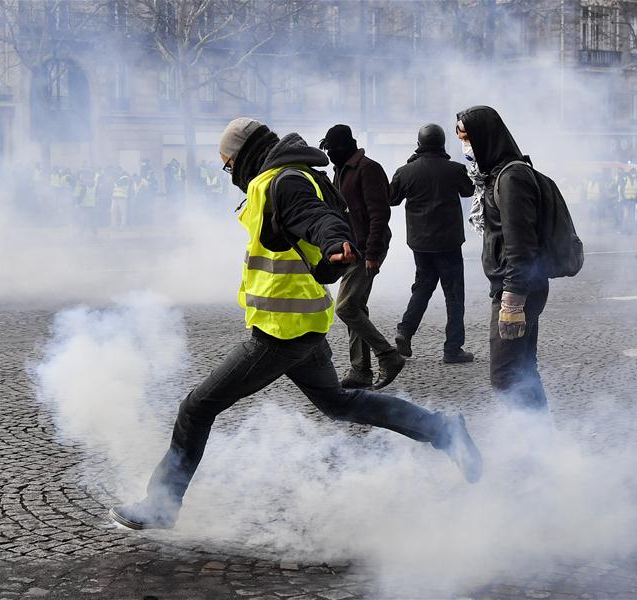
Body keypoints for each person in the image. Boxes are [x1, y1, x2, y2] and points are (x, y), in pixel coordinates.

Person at [108, 117, 483, 531]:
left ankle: (161, 505)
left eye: (228, 163)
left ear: (244, 154)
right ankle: (445, 431)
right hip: (304, 323)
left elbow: (316, 217)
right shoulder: (297, 175)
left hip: (279, 332)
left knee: (196, 408)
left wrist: (334, 242)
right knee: (341, 404)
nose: (229, 172)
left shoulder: (282, 181)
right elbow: (312, 220)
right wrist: (331, 248)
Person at [455, 105, 549, 413]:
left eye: (467, 137)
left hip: (518, 288)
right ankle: (540, 447)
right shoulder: (496, 176)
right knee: (522, 370)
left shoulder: (510, 178)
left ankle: (532, 444)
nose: (464, 145)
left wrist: (512, 301)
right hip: (517, 284)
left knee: (505, 375)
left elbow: (521, 244)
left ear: (485, 137)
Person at [319, 124, 404, 389]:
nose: (330, 153)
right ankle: (360, 371)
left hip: (365, 249)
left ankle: (388, 356)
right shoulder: (340, 170)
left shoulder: (368, 169)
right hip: (350, 248)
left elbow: (379, 214)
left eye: (333, 149)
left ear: (346, 146)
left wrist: (372, 253)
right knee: (356, 307)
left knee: (345, 307)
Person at [389, 124, 475, 363]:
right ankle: (452, 348)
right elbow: (469, 191)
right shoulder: (455, 170)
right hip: (449, 243)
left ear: (419, 144)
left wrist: (409, 165)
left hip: (420, 243)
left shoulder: (405, 171)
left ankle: (405, 331)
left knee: (423, 287)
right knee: (454, 296)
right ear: (442, 143)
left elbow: (391, 198)